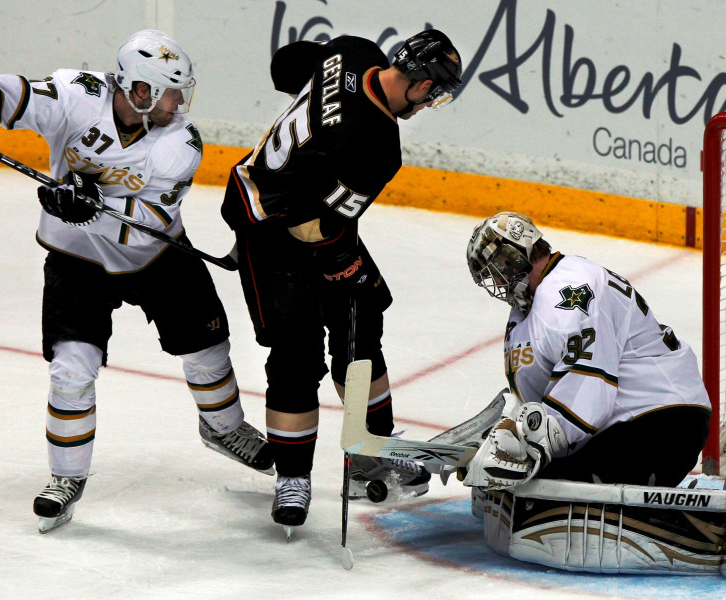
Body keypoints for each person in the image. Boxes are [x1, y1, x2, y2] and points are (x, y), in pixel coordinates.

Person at [0, 29, 273, 533]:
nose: (180, 102)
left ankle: (224, 429)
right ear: (138, 90)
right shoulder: (76, 95)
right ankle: (66, 478)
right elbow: (11, 95)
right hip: (76, 259)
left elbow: (145, 226)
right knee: (71, 369)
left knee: (208, 349)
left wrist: (89, 206)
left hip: (157, 257)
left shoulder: (181, 142)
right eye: (170, 91)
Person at [219, 29, 463, 528]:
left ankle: (370, 452)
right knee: (296, 346)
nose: (429, 103)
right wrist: (346, 270)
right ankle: (293, 477)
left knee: (363, 318)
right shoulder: (376, 147)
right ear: (418, 83)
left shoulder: (354, 51)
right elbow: (317, 229)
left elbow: (287, 69)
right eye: (433, 93)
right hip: (269, 226)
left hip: (281, 197)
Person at [464, 211, 711, 490]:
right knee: (516, 485)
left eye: (496, 270)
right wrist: (510, 439)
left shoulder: (568, 289)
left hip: (662, 423)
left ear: (514, 257)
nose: (496, 283)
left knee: (540, 488)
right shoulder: (529, 307)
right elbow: (542, 398)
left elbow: (590, 388)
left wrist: (531, 450)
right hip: (622, 424)